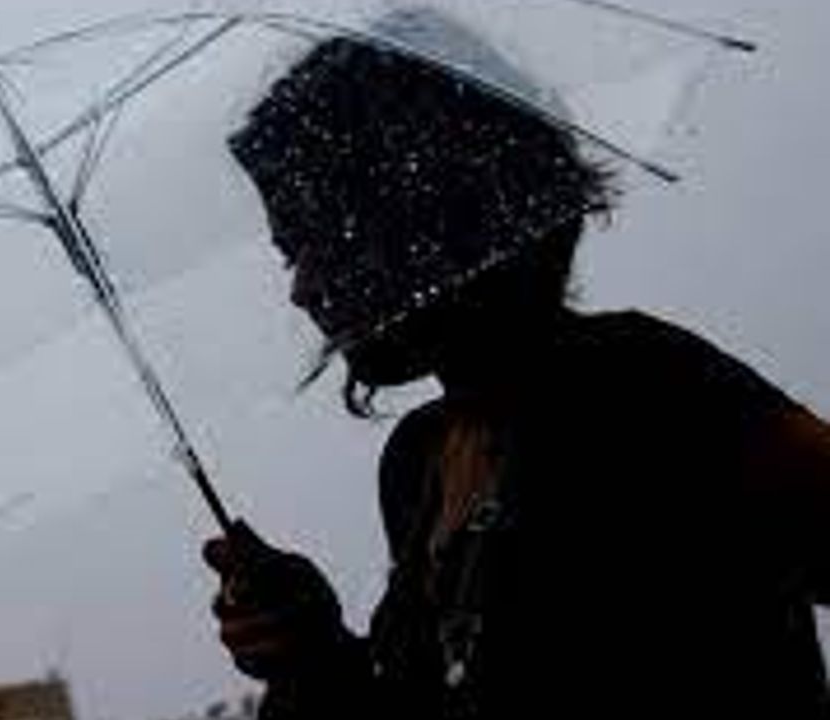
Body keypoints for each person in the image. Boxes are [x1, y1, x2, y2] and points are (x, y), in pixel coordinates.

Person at [202, 12, 830, 720]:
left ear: (420, 212)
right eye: (291, 254)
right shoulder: (420, 461)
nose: (303, 288)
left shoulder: (645, 387)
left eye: (320, 241)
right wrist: (312, 652)